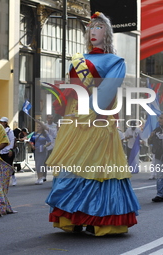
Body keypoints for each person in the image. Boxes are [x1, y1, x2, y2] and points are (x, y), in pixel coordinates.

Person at [45, 12, 140, 236]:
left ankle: (96, 219)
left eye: (98, 26)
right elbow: (73, 88)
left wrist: (93, 113)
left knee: (99, 168)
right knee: (72, 167)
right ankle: (72, 217)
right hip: (74, 121)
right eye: (90, 27)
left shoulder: (115, 62)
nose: (93, 30)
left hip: (97, 121)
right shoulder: (77, 59)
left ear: (107, 32)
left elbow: (108, 90)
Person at [0, 117, 16, 186]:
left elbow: (12, 140)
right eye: (0, 122)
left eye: (2, 122)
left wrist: (10, 149)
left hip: (7, 150)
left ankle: (13, 177)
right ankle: (3, 180)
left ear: (5, 123)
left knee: (8, 166)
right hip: (0, 150)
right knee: (1, 167)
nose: (1, 123)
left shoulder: (9, 131)